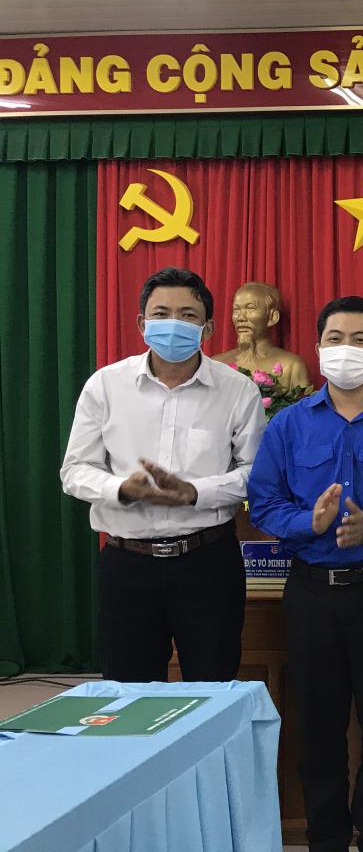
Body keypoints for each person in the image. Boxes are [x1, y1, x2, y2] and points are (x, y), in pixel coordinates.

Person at [248, 296, 363, 852]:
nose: (345, 349)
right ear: (318, 347)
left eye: (359, 340)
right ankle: (325, 839)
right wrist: (309, 522)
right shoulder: (288, 425)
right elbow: (263, 503)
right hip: (311, 593)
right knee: (318, 729)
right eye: (334, 338)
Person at [60, 266, 266, 681]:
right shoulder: (106, 386)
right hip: (128, 564)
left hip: (208, 563)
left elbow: (256, 475)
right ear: (142, 324)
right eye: (161, 314)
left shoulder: (238, 390)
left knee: (212, 688)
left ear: (208, 328)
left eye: (188, 315)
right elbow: (75, 470)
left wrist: (195, 492)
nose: (174, 324)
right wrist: (121, 488)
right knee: (129, 693)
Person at [213, 280, 312, 389]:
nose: (240, 318)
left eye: (250, 308)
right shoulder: (216, 364)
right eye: (236, 310)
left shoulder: (291, 366)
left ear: (272, 317)